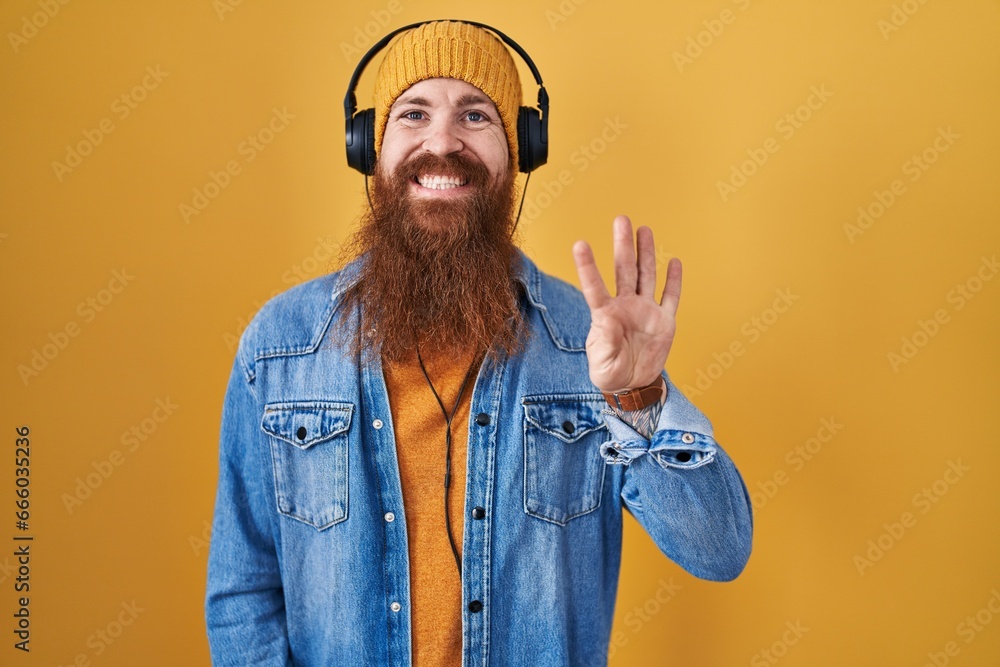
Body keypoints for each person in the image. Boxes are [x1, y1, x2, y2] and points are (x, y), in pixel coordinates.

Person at [205, 20, 752, 667]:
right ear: (368, 149)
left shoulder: (586, 342)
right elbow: (242, 592)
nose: (443, 142)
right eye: (413, 113)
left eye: (475, 115)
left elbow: (718, 547)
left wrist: (639, 397)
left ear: (520, 150)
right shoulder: (280, 346)